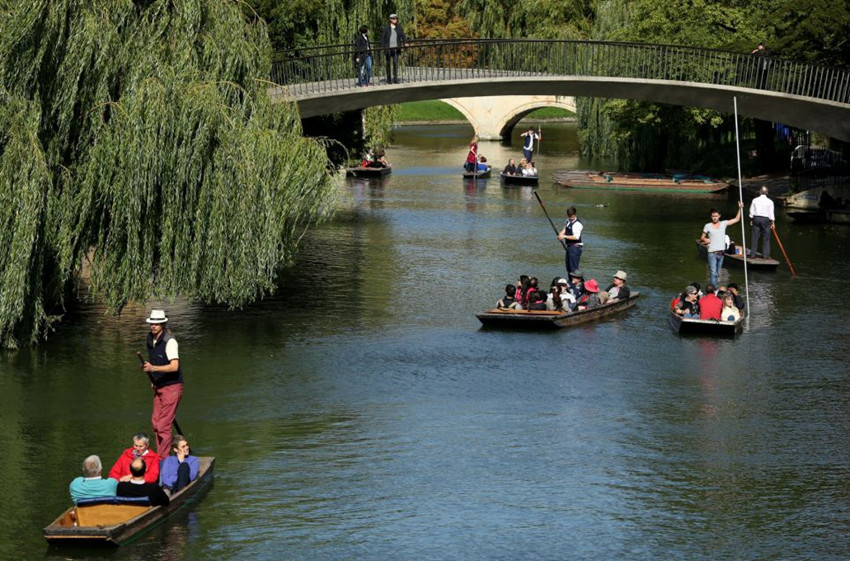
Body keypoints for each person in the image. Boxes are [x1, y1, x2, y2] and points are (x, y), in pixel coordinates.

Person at [142, 309, 183, 456]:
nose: (153, 326)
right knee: (156, 424)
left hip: (172, 387)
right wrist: (155, 378)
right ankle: (162, 456)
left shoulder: (170, 341)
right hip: (160, 385)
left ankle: (163, 460)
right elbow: (156, 361)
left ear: (163, 324)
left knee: (163, 426)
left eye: (156, 323)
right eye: (151, 323)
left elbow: (174, 366)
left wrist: (153, 368)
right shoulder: (150, 339)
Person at [700, 202, 744, 286]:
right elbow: (702, 238)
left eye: (716, 216)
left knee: (717, 273)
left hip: (721, 253)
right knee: (713, 272)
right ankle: (713, 291)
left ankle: (714, 288)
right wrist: (708, 240)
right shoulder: (707, 226)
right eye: (713, 216)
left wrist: (740, 208)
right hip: (712, 253)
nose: (714, 218)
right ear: (711, 216)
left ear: (719, 216)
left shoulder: (724, 224)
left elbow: (736, 219)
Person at [749, 185, 775, 259]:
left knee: (754, 237)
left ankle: (753, 255)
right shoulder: (770, 202)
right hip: (766, 220)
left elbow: (751, 211)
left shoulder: (755, 200)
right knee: (766, 238)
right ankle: (765, 256)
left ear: (760, 192)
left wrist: (751, 219)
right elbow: (771, 213)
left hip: (756, 218)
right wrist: (772, 222)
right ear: (767, 192)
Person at [380, 13, 406, 84]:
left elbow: (402, 35)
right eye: (394, 19)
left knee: (395, 63)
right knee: (388, 64)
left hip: (396, 48)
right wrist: (383, 47)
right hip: (388, 49)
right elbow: (383, 38)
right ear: (390, 19)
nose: (396, 20)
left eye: (396, 18)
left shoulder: (399, 27)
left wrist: (405, 42)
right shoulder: (386, 28)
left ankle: (395, 79)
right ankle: (389, 79)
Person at [557, 207, 583, 276]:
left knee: (574, 269)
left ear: (575, 214)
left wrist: (564, 236)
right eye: (569, 216)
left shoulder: (578, 224)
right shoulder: (568, 221)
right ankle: (570, 282)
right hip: (569, 246)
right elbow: (565, 228)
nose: (571, 218)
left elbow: (576, 237)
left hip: (575, 247)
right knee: (568, 268)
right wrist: (561, 234)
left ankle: (577, 284)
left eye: (572, 216)